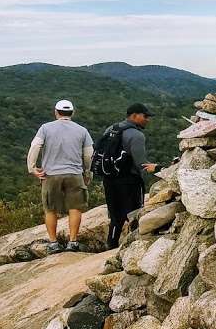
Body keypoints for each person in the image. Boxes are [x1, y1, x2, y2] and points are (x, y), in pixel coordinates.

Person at [27, 99, 94, 253]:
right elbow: (89, 154)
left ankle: (53, 243)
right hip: (75, 173)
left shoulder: (45, 128)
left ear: (56, 112)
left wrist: (32, 168)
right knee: (75, 208)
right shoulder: (82, 130)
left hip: (51, 174)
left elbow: (35, 146)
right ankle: (73, 242)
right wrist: (87, 172)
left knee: (50, 209)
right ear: (72, 113)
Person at [101, 103, 158, 249]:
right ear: (134, 115)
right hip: (129, 181)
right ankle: (134, 247)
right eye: (145, 116)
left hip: (109, 178)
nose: (148, 120)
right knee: (134, 214)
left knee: (115, 217)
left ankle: (111, 245)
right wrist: (159, 168)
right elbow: (141, 164)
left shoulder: (111, 129)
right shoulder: (137, 135)